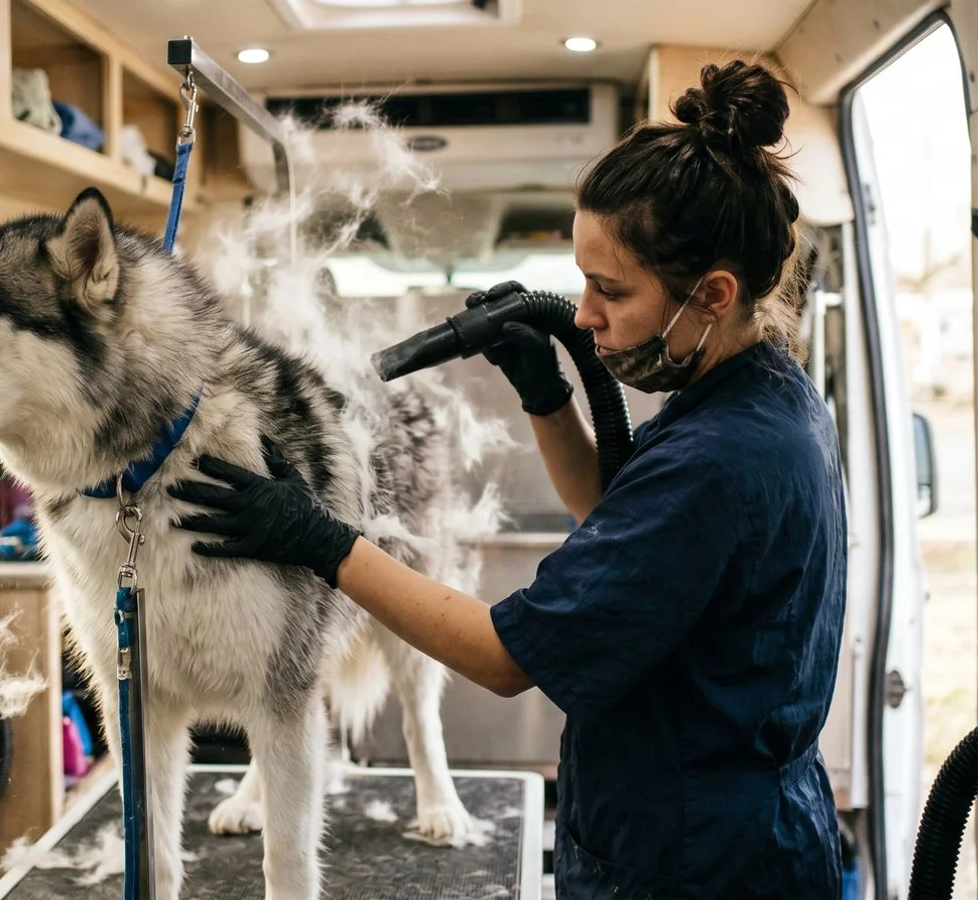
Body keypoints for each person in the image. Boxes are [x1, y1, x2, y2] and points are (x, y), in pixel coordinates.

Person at [170, 60, 846, 899]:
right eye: (581, 282)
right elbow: (609, 508)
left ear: (711, 293)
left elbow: (500, 657)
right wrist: (547, 393)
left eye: (609, 290)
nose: (586, 313)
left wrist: (317, 537)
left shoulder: (723, 457)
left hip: (695, 865)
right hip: (710, 827)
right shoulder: (757, 392)